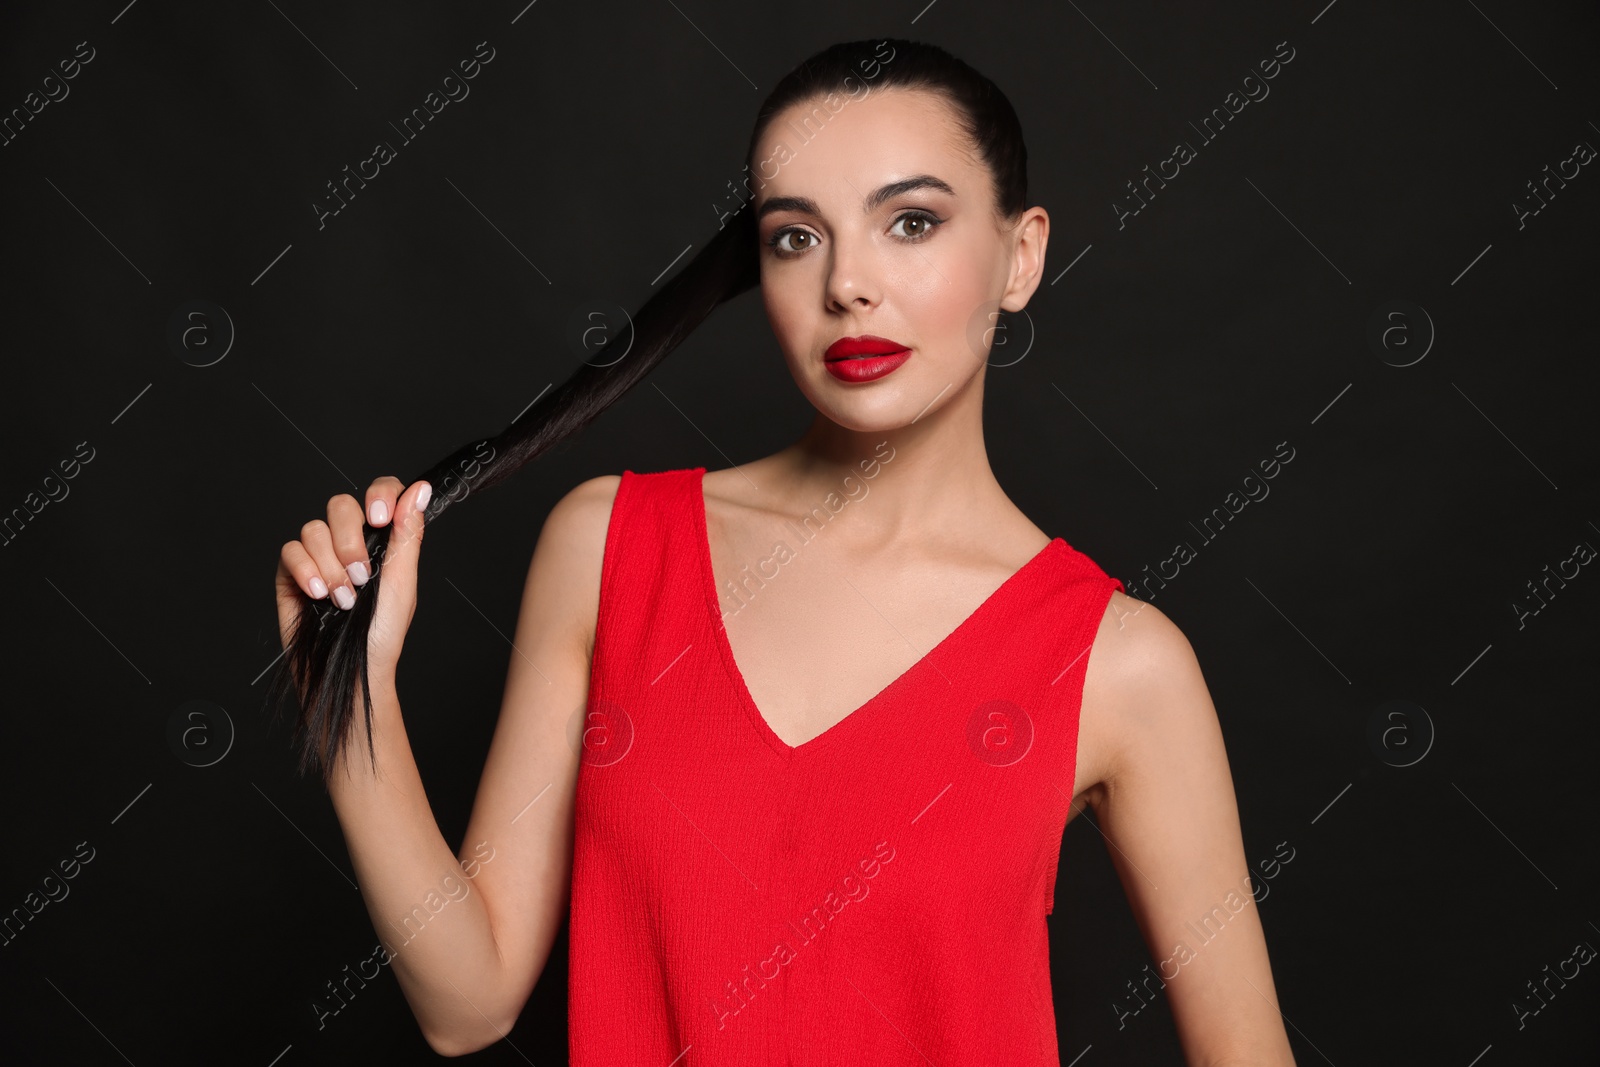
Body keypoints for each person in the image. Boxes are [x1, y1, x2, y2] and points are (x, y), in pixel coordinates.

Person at [271, 37, 1296, 1064]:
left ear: (1020, 255)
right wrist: (344, 691)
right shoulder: (609, 548)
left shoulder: (1118, 662)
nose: (848, 282)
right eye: (796, 237)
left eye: (912, 222)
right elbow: (470, 998)